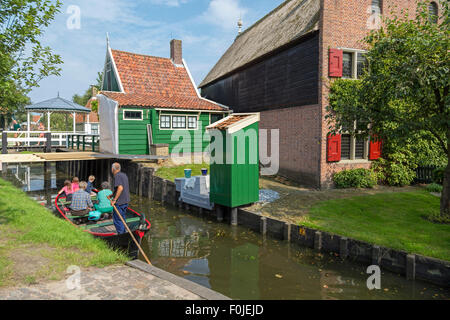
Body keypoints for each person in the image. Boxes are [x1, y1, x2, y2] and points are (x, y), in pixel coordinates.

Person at [110, 162, 130, 234]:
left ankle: (121, 234)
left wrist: (114, 200)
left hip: (119, 202)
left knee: (117, 219)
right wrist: (112, 195)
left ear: (112, 169)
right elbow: (121, 188)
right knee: (122, 217)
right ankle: (124, 232)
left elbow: (120, 188)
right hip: (125, 201)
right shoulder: (124, 175)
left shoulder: (117, 176)